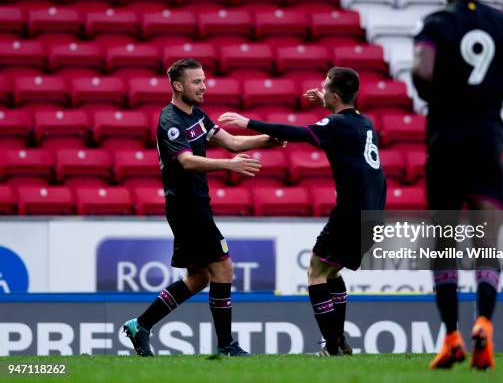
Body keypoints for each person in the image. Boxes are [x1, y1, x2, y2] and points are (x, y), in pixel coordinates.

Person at [411, 0, 503, 370]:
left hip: (446, 139)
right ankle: (484, 322)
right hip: (487, 139)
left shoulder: (436, 23)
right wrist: (492, 86)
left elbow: (422, 74)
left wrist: (448, 89)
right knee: (487, 240)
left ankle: (451, 337)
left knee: (444, 240)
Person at [219, 67, 387, 356]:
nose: (319, 90)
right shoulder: (365, 122)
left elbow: (297, 133)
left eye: (324, 88)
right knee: (332, 272)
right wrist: (324, 101)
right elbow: (335, 121)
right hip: (374, 214)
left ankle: (331, 347)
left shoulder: (337, 125)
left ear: (335, 96)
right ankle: (338, 342)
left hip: (350, 212)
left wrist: (248, 122)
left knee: (316, 272)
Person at [123, 58, 283, 357]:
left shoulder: (197, 116)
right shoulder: (169, 120)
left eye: (204, 80)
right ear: (178, 85)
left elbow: (233, 142)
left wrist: (267, 140)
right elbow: (186, 161)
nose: (204, 86)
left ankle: (140, 325)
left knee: (198, 278)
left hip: (196, 205)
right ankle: (226, 346)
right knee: (223, 267)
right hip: (186, 208)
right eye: (197, 81)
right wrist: (229, 166)